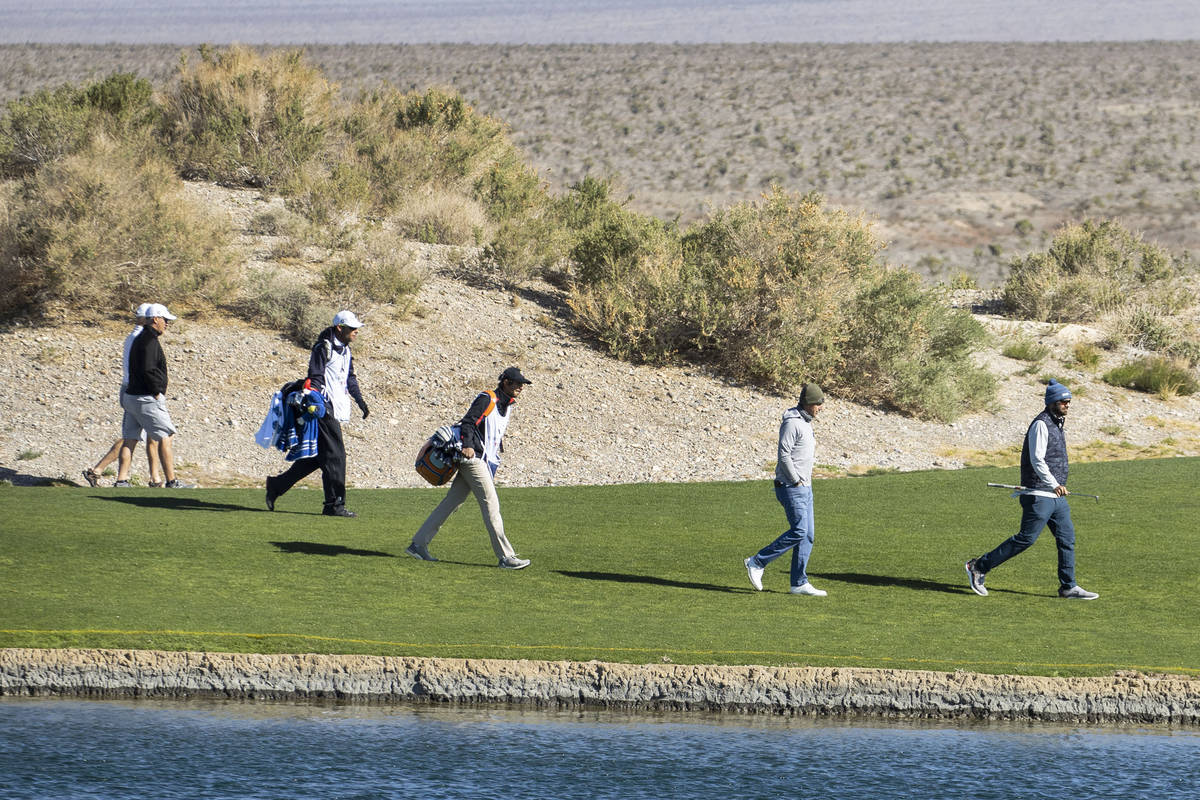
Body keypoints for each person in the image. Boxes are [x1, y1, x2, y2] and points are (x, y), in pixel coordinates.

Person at [965, 380, 1099, 600]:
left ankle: (1068, 587)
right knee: (1026, 539)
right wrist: (1054, 483)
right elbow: (1037, 459)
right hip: (1038, 494)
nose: (1067, 404)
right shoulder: (1041, 424)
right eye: (1064, 401)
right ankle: (978, 566)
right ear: (1052, 402)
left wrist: (1056, 487)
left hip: (1056, 497)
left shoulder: (1057, 423)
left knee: (1067, 538)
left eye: (1069, 401)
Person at [406, 367, 534, 569]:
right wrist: (467, 446)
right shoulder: (487, 398)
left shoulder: (506, 406)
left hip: (483, 460)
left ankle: (418, 544)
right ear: (506, 382)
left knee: (451, 503)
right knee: (491, 505)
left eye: (522, 384)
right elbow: (468, 421)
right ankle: (506, 557)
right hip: (473, 459)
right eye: (517, 383)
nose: (520, 387)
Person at [265, 310, 369, 517]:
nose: (356, 331)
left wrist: (360, 400)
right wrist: (319, 402)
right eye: (352, 328)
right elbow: (315, 376)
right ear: (340, 328)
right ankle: (334, 505)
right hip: (322, 407)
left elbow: (350, 378)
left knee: (318, 458)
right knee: (336, 456)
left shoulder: (346, 350)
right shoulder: (324, 346)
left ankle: (277, 485)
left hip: (334, 407)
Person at [744, 383, 827, 596]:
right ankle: (757, 562)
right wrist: (796, 480)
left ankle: (798, 583)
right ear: (808, 404)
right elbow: (784, 455)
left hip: (805, 487)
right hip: (791, 487)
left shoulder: (806, 423)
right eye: (818, 404)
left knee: (807, 536)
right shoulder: (792, 424)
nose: (821, 407)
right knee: (799, 530)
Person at [82, 303, 162, 487]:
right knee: (145, 435)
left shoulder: (133, 337)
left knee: (134, 436)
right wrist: (154, 389)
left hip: (130, 389)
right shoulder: (140, 339)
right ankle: (153, 479)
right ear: (146, 319)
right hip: (137, 390)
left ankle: (105, 472)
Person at [122, 302, 192, 489]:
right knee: (165, 436)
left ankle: (121, 480)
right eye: (165, 320)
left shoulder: (139, 338)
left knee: (130, 438)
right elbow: (149, 370)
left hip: (132, 396)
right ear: (156, 319)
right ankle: (172, 481)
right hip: (146, 397)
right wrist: (157, 391)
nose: (167, 324)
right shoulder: (149, 341)